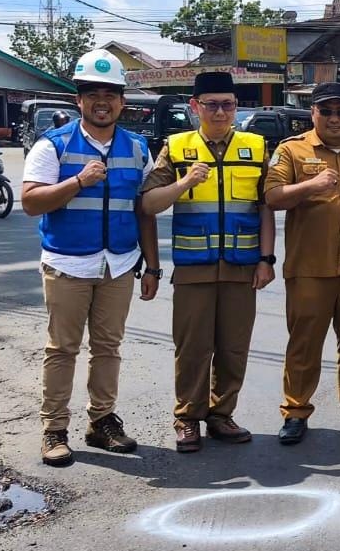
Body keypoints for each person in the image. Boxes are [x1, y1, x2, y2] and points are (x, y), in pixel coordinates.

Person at [21, 49, 160, 468]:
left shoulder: (137, 149)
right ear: (78, 100)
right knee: (62, 348)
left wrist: (152, 265)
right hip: (68, 264)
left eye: (111, 93)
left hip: (119, 264)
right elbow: (30, 202)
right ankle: (54, 429)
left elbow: (145, 209)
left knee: (108, 348)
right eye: (92, 93)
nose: (102, 101)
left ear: (122, 101)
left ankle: (101, 421)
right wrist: (78, 181)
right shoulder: (53, 145)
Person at [139, 71, 276, 453]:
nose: (220, 112)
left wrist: (267, 258)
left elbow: (266, 207)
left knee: (234, 346)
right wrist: (183, 184)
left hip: (242, 264)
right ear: (195, 107)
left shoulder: (255, 146)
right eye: (211, 105)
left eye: (227, 105)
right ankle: (187, 417)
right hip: (194, 266)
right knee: (193, 347)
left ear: (236, 107)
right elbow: (147, 205)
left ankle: (221, 414)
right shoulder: (177, 148)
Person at [264, 82, 340, 445]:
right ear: (313, 113)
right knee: (304, 343)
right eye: (327, 111)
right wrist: (311, 186)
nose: (335, 118)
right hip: (310, 268)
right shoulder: (292, 151)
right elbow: (272, 197)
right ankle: (295, 410)